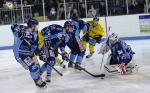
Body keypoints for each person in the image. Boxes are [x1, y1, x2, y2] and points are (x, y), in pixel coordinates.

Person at [11, 18, 46, 88]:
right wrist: (19, 32)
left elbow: (35, 46)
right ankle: (37, 81)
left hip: (29, 53)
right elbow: (13, 26)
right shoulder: (22, 28)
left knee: (37, 67)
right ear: (32, 26)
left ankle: (37, 78)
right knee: (32, 67)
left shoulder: (35, 35)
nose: (37, 27)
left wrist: (40, 53)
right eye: (36, 26)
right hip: (20, 54)